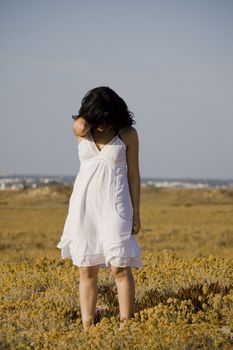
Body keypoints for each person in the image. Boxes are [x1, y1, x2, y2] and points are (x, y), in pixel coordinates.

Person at [56, 86, 143, 332]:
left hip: (116, 204)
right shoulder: (82, 130)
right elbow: (80, 123)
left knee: (119, 266)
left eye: (107, 119)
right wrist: (91, 115)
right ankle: (87, 327)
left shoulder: (128, 134)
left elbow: (134, 175)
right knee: (86, 268)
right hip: (84, 206)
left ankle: (126, 326)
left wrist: (137, 211)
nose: (102, 125)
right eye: (98, 119)